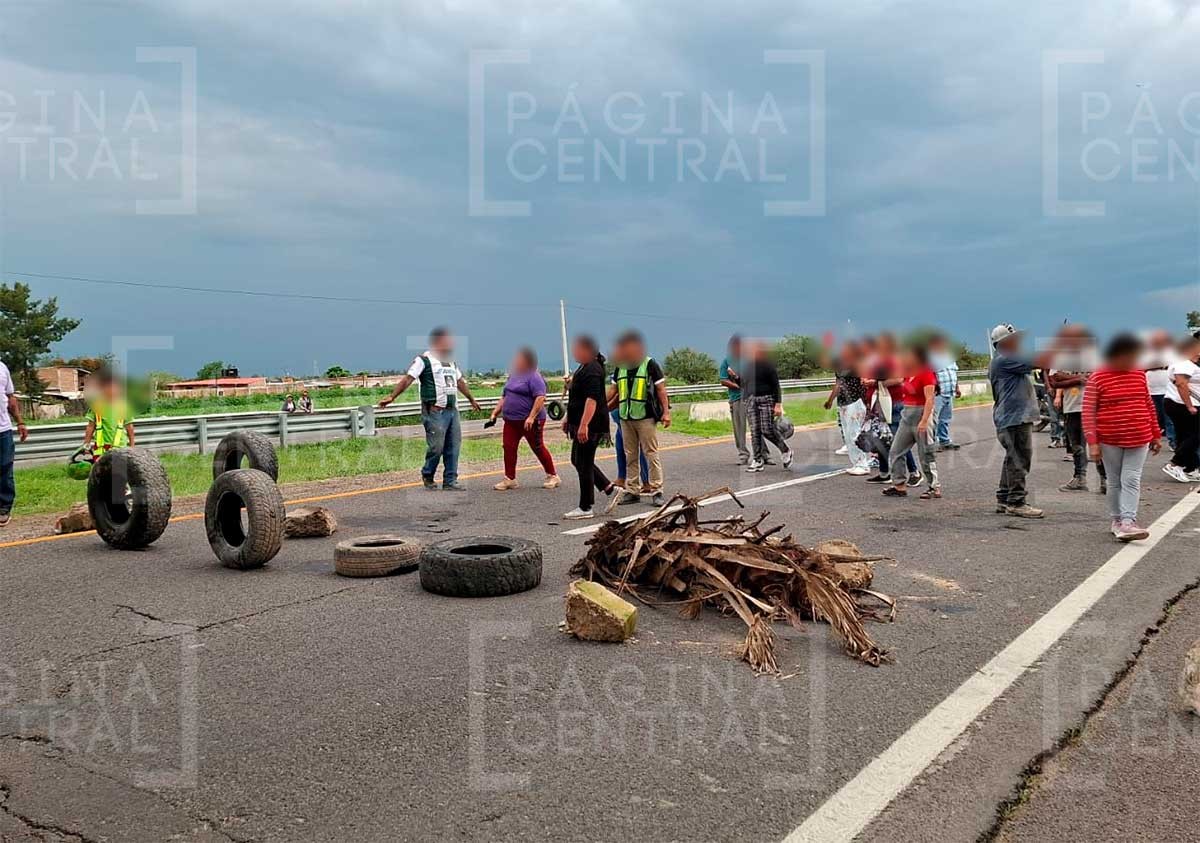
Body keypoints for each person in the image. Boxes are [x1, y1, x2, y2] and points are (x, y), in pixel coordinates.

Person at [379, 327, 482, 490]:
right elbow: (408, 379)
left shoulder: (451, 361)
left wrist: (471, 400)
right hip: (434, 411)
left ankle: (450, 480)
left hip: (452, 410)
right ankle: (428, 473)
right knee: (437, 446)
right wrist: (392, 397)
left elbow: (460, 382)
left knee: (453, 446)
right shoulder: (423, 360)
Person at [1082, 333, 1162, 541]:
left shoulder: (1138, 374)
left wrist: (1155, 434)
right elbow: (1088, 412)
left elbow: (1148, 404)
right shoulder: (1098, 377)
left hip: (1140, 436)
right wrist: (1093, 443)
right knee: (1115, 481)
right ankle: (1117, 520)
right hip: (1110, 439)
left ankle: (1128, 522)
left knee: (1132, 478)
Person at [988, 323, 1050, 518]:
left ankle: (1004, 499)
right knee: (1019, 459)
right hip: (1013, 418)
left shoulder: (1006, 360)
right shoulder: (1005, 359)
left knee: (1013, 458)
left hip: (1012, 417)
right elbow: (1040, 361)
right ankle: (1016, 502)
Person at [609, 331, 670, 507]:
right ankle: (633, 490)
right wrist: (598, 404)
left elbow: (661, 390)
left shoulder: (650, 364)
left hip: (645, 417)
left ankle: (657, 490)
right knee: (631, 455)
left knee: (651, 453)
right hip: (625, 417)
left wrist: (666, 413)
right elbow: (613, 391)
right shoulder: (620, 366)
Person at [489, 347, 560, 490]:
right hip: (511, 421)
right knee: (508, 447)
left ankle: (553, 475)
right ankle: (510, 478)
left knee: (537, 447)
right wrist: (495, 412)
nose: (515, 361)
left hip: (530, 421)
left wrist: (531, 417)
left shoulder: (534, 377)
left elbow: (540, 398)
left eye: (519, 359)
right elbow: (505, 396)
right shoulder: (513, 376)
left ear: (527, 361)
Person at [562, 335, 615, 519]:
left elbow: (591, 400)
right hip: (580, 422)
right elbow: (577, 398)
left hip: (591, 424)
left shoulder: (593, 370)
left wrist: (584, 425)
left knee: (583, 462)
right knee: (577, 460)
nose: (574, 352)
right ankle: (609, 488)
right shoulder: (583, 367)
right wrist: (568, 418)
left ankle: (586, 507)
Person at [1049, 325, 1106, 494]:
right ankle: (1080, 478)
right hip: (1073, 406)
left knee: (1098, 444)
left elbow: (1100, 378)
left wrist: (1069, 378)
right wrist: (1080, 378)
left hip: (1094, 406)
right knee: (1076, 445)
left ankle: (1105, 479)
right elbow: (1054, 379)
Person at [882, 344, 941, 499]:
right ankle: (899, 485)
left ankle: (933, 487)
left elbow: (930, 399)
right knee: (896, 450)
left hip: (922, 414)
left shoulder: (926, 373)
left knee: (925, 453)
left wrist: (924, 421)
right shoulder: (908, 373)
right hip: (907, 415)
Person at [876, 333, 920, 485]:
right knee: (893, 440)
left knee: (899, 441)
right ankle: (892, 472)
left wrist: (880, 383)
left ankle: (914, 471)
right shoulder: (887, 360)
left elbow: (899, 379)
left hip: (895, 402)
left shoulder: (893, 360)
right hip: (889, 402)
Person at [743, 340, 794, 472]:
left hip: (766, 399)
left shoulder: (768, 365)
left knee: (767, 429)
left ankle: (785, 450)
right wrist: (734, 377)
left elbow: (776, 385)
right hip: (751, 400)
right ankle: (757, 460)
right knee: (755, 431)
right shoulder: (748, 366)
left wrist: (778, 404)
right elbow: (744, 383)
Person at [824, 341, 871, 475]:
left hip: (855, 401)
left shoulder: (858, 364)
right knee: (848, 434)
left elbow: (865, 379)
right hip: (843, 402)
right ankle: (856, 462)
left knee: (855, 433)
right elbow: (838, 384)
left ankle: (863, 463)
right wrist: (830, 400)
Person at [1162, 334, 1200, 483]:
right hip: (1182, 404)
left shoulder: (1188, 363)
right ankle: (1175, 464)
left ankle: (1190, 467)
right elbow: (1181, 384)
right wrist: (1189, 406)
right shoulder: (1184, 363)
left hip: (1181, 403)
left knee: (1186, 435)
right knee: (1195, 436)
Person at [0, 358, 29, 527]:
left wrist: (20, 421)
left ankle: (4, 507)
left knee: (4, 467)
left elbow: (10, 398)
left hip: (3, 429)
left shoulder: (2, 367)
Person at [83, 369, 135, 455]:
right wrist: (86, 444)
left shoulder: (124, 407)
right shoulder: (97, 406)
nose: (112, 390)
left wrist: (132, 446)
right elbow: (90, 427)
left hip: (121, 447)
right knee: (101, 468)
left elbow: (129, 427)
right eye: (108, 387)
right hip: (101, 447)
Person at [1142, 329, 1177, 449]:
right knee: (1152, 416)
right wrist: (1159, 364)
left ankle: (1172, 441)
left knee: (1168, 417)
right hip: (1150, 388)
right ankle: (1150, 440)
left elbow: (1174, 365)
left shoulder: (1171, 352)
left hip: (1167, 389)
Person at [720, 335, 750, 464]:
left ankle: (764, 455)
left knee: (758, 427)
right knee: (739, 428)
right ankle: (743, 454)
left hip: (752, 397)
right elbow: (723, 380)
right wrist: (736, 385)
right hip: (737, 398)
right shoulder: (727, 361)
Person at [928, 333, 961, 451]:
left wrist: (957, 387)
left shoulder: (948, 356)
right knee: (933, 419)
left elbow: (954, 372)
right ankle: (932, 444)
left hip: (949, 392)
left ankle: (944, 440)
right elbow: (928, 376)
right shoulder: (929, 358)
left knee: (945, 418)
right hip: (937, 393)